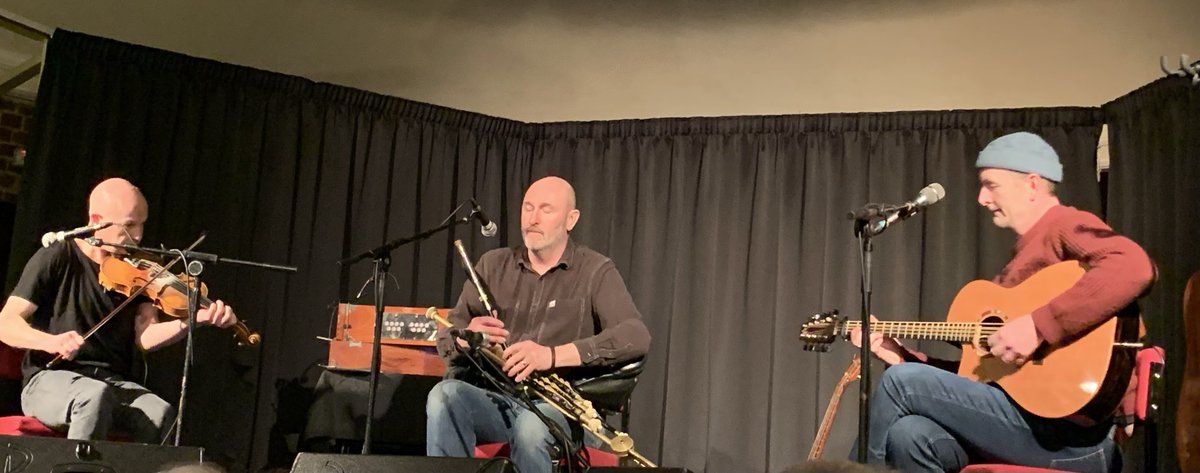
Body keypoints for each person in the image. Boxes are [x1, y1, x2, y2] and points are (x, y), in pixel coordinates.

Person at [852, 132, 1155, 472]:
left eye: (991, 185)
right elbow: (990, 379)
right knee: (910, 434)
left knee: (901, 382)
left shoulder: (1065, 225)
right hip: (1025, 424)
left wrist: (1038, 326)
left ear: (1032, 184)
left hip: (1072, 438)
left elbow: (1134, 266)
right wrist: (905, 356)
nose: (981, 198)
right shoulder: (1020, 267)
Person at [426, 176, 652, 473]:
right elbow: (448, 334)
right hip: (498, 400)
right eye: (527, 207)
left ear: (571, 220)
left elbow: (635, 336)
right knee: (444, 397)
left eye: (546, 209)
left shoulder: (596, 270)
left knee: (531, 428)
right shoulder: (493, 264)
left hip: (563, 409)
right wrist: (466, 339)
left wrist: (552, 355)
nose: (532, 219)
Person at [0, 177, 239, 443]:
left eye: (141, 225)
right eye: (128, 226)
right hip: (49, 380)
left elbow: (145, 337)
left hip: (110, 383)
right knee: (92, 397)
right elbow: (6, 323)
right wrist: (51, 341)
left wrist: (192, 320)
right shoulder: (58, 256)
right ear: (95, 220)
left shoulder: (137, 271)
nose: (137, 236)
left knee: (162, 414)